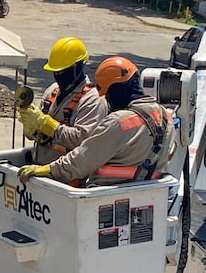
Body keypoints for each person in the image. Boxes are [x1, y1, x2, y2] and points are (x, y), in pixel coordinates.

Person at [17, 56, 176, 187]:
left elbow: (83, 159)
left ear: (116, 91)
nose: (108, 101)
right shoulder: (165, 117)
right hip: (150, 195)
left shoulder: (119, 122)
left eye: (107, 95)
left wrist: (49, 169)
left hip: (106, 197)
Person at [17, 36, 107, 165]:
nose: (58, 75)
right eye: (56, 71)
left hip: (66, 176)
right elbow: (38, 137)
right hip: (38, 167)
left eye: (63, 71)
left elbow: (83, 140)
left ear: (78, 66)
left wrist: (47, 125)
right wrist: (31, 127)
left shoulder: (92, 99)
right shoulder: (52, 91)